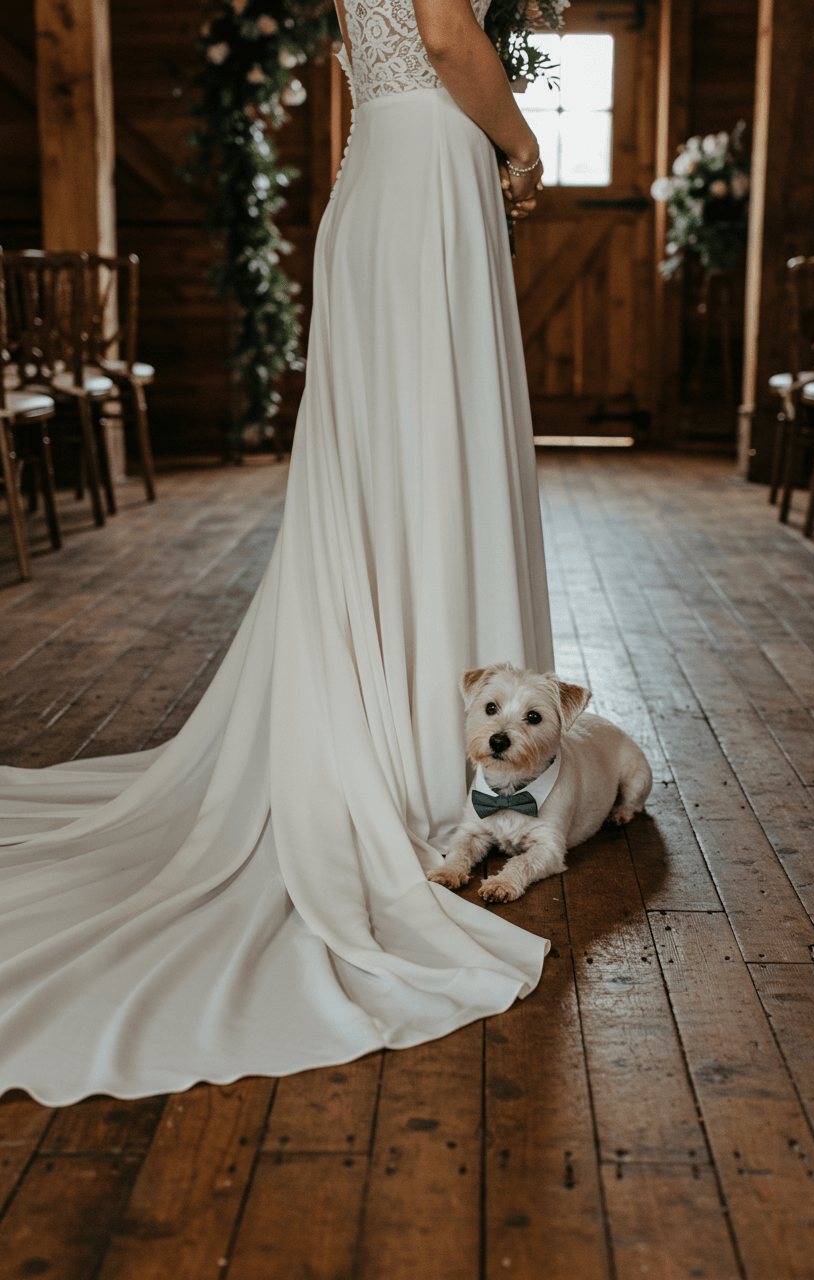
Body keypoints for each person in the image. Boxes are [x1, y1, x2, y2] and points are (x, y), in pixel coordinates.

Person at [0, 0, 555, 1105]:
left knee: (395, 462)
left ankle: (411, 724)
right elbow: (447, 35)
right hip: (428, 172)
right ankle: (434, 754)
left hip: (384, 165)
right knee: (430, 446)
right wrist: (524, 145)